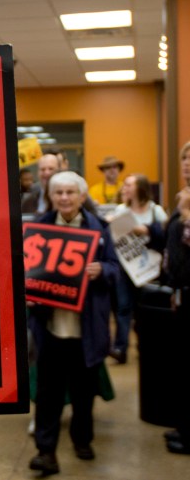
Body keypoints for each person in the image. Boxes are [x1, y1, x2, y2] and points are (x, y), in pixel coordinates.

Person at [27, 171, 119, 475]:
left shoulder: (99, 229)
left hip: (86, 330)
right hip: (50, 327)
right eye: (59, 193)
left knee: (83, 392)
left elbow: (116, 270)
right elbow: (24, 270)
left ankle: (82, 440)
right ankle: (46, 450)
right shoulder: (39, 228)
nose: (64, 198)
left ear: (81, 196)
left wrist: (101, 269)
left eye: (70, 192)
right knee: (48, 394)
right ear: (51, 196)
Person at [107, 173, 167, 364]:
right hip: (125, 269)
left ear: (140, 187)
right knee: (123, 308)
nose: (125, 188)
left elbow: (165, 235)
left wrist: (148, 230)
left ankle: (146, 346)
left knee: (144, 310)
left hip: (149, 268)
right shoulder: (121, 210)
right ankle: (121, 348)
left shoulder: (155, 211)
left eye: (129, 185)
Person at [160, 140, 190, 455]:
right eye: (184, 159)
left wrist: (186, 217)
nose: (187, 165)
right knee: (182, 367)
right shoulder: (183, 197)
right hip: (180, 294)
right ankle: (183, 426)